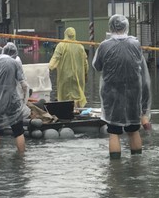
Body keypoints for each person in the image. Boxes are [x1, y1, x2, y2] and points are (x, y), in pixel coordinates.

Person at [92, 14, 151, 160]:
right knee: (133, 130)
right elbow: (141, 69)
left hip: (111, 94)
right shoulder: (135, 44)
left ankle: (115, 169)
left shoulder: (104, 46)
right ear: (126, 26)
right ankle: (137, 164)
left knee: (114, 132)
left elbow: (96, 66)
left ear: (110, 27)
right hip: (133, 94)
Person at [48, 27, 89, 108]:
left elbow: (55, 58)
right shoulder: (80, 46)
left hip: (65, 76)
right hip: (78, 77)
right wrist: (86, 74)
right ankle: (77, 111)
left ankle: (66, 112)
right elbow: (85, 62)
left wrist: (48, 69)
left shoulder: (61, 45)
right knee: (77, 95)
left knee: (64, 96)